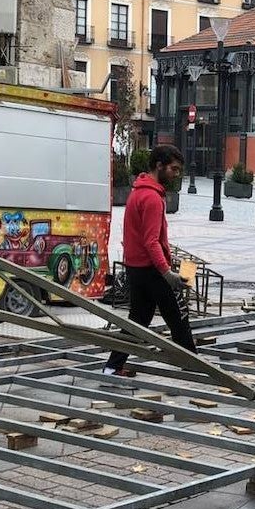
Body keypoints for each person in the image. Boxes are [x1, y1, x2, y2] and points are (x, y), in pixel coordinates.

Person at [103, 145, 194, 375]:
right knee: (179, 318)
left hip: (136, 268)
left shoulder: (137, 192)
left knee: (137, 322)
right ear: (159, 166)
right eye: (173, 169)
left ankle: (112, 368)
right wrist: (167, 273)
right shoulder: (152, 198)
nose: (176, 174)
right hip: (153, 270)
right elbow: (151, 241)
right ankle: (195, 367)